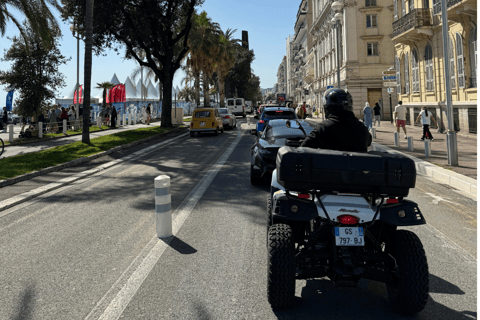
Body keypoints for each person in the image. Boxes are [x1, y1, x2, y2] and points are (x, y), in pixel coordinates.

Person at [301, 89, 372, 152]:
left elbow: (303, 149)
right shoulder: (362, 129)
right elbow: (368, 143)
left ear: (328, 108)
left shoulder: (322, 128)